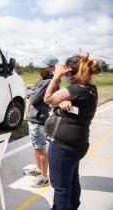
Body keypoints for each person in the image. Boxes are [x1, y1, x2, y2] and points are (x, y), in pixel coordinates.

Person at [44, 53, 101, 210]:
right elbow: (80, 110)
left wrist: (56, 77)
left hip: (63, 147)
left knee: (61, 187)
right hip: (78, 145)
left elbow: (48, 99)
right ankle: (73, 206)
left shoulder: (76, 89)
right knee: (72, 180)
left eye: (67, 74)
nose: (66, 77)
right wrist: (62, 103)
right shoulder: (90, 89)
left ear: (72, 73)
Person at [24, 56, 58, 188]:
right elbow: (34, 93)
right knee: (36, 146)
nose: (39, 70)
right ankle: (38, 169)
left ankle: (44, 177)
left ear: (51, 68)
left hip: (39, 119)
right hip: (34, 118)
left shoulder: (47, 82)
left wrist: (30, 90)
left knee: (41, 148)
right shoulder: (44, 80)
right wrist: (33, 90)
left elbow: (33, 98)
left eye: (42, 67)